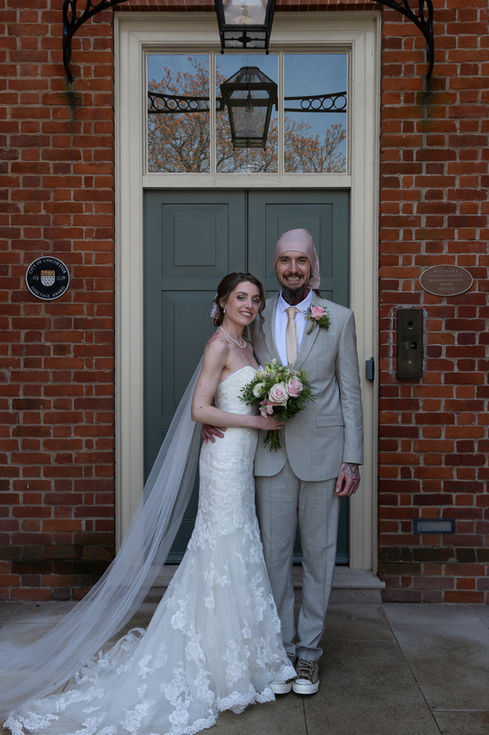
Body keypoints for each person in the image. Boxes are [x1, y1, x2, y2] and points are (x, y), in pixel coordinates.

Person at [2, 273, 296, 735]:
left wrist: (268, 409)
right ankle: (215, 663)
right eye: (241, 297)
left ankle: (239, 657)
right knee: (219, 545)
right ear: (221, 303)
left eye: (256, 299)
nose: (250, 305)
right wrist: (257, 423)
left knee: (238, 545)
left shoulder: (248, 345)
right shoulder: (218, 344)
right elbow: (201, 409)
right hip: (223, 461)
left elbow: (228, 400)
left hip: (241, 461)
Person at [205, 229, 363, 696]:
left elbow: (351, 393)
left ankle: (309, 656)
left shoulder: (339, 317)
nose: (292, 268)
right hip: (267, 456)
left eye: (301, 260)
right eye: (284, 261)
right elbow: (223, 366)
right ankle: (280, 650)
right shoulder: (254, 313)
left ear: (313, 266)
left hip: (324, 455)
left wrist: (352, 458)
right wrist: (207, 417)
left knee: (318, 558)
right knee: (272, 560)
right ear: (276, 265)